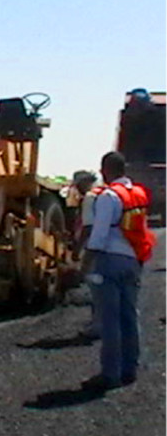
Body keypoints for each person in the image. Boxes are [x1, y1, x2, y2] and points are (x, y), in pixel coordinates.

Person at [81, 151, 155, 391]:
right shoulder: (139, 194)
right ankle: (129, 369)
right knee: (130, 316)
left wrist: (85, 264)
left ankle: (110, 374)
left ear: (105, 170)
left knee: (110, 319)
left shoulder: (109, 197)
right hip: (133, 259)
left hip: (109, 261)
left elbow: (99, 235)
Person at [69, 170, 100, 339]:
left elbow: (88, 228)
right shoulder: (102, 194)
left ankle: (98, 325)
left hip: (94, 248)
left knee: (96, 288)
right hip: (107, 248)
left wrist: (77, 251)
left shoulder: (89, 198)